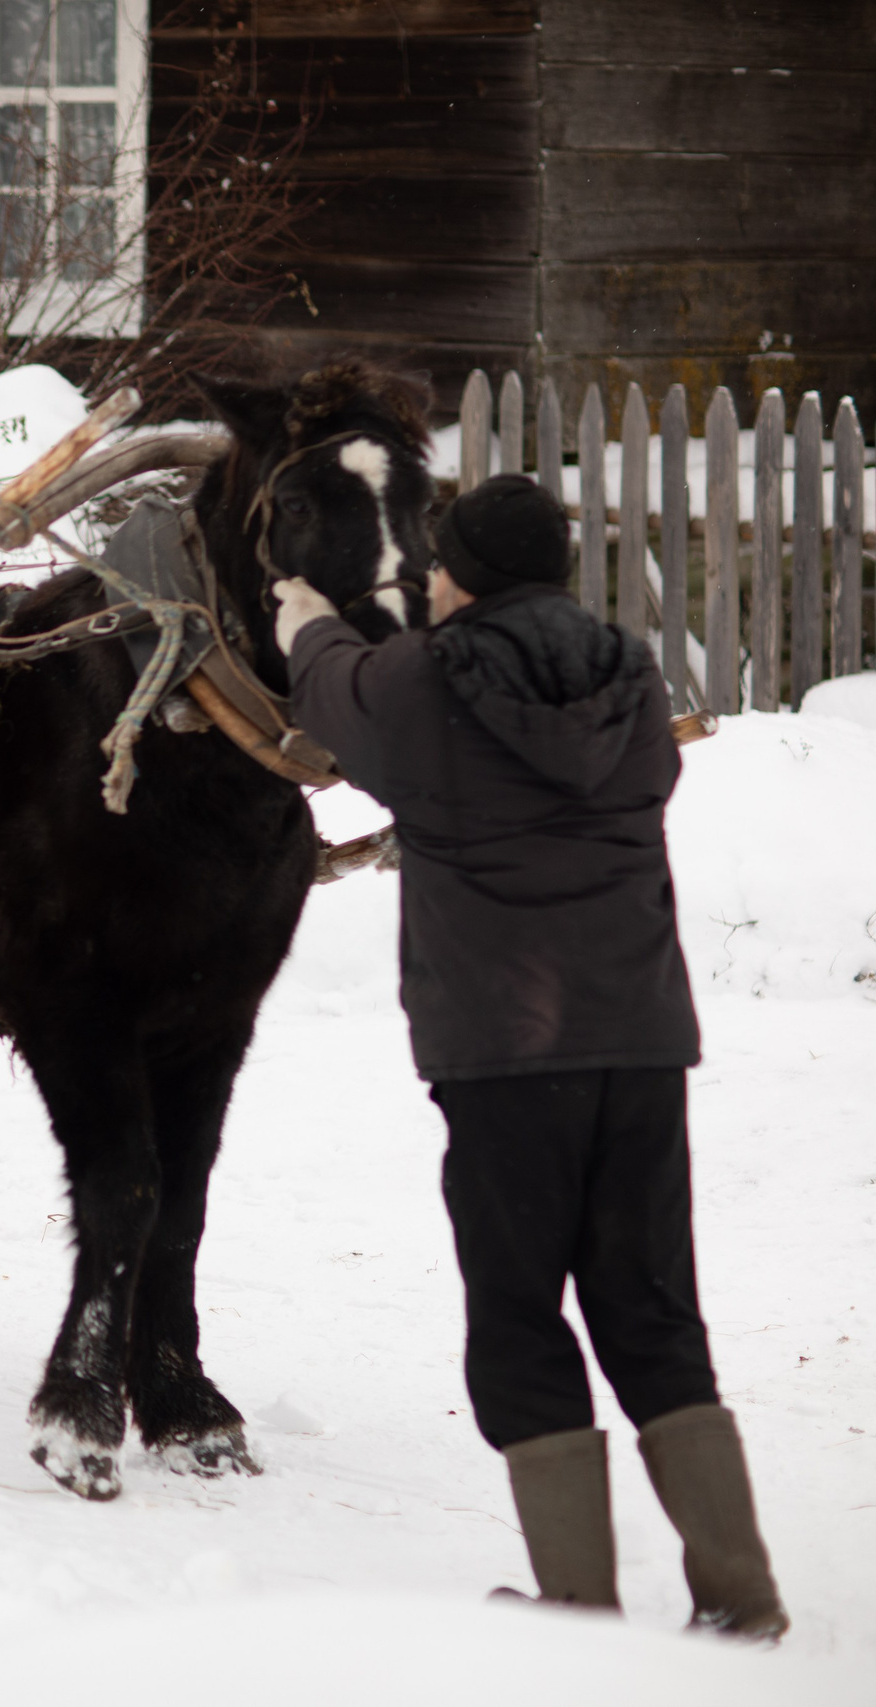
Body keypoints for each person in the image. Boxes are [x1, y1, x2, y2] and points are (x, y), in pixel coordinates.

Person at [269, 475, 787, 1639]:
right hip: (641, 1040)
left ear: (460, 575)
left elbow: (338, 696)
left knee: (517, 1316)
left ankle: (574, 1605)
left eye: (441, 565)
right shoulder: (628, 670)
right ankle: (741, 1594)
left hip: (504, 1052)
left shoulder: (423, 680)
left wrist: (305, 615)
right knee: (652, 1309)